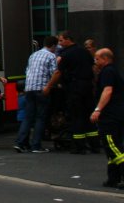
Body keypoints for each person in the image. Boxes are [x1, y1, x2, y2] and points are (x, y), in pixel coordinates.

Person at [49, 31, 99, 154]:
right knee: (89, 116)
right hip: (87, 86)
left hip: (74, 88)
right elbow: (94, 68)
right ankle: (94, 145)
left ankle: (78, 146)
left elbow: (58, 72)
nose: (59, 43)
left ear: (68, 40)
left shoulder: (66, 54)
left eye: (61, 40)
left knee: (76, 116)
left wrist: (49, 86)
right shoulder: (84, 52)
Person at [16, 35, 58, 153]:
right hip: (41, 89)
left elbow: (27, 71)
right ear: (53, 46)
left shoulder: (33, 55)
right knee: (40, 118)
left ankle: (20, 143)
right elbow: (54, 73)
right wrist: (52, 85)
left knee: (28, 117)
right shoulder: (51, 56)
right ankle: (36, 146)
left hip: (29, 88)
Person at [90, 48, 124, 189]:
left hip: (110, 116)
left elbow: (107, 91)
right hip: (117, 115)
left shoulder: (108, 72)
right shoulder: (112, 71)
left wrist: (98, 109)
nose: (95, 61)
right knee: (113, 147)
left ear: (105, 59)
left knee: (112, 146)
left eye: (97, 59)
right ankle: (113, 178)